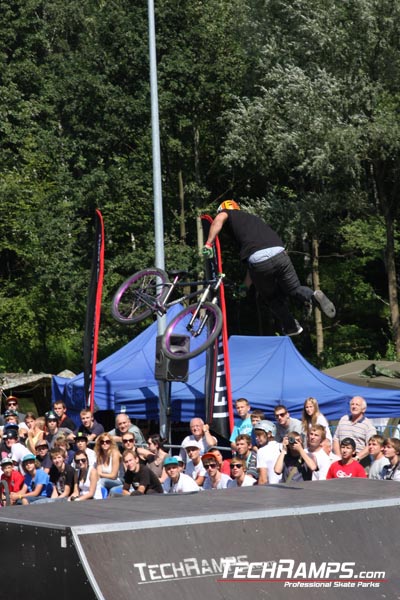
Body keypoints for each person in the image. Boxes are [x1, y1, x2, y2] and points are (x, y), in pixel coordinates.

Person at [202, 200, 335, 335]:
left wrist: (208, 243)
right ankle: (313, 295)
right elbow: (252, 264)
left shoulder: (227, 213)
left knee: (272, 298)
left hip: (258, 262)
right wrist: (245, 286)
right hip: (280, 254)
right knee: (294, 289)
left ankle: (291, 326)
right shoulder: (253, 221)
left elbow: (219, 219)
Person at [332, 397, 376, 464]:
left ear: (363, 409)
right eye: (352, 404)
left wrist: (357, 458)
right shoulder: (343, 420)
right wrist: (339, 457)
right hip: (342, 460)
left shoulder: (368, 425)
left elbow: (371, 445)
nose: (354, 406)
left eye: (357, 404)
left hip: (360, 462)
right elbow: (336, 439)